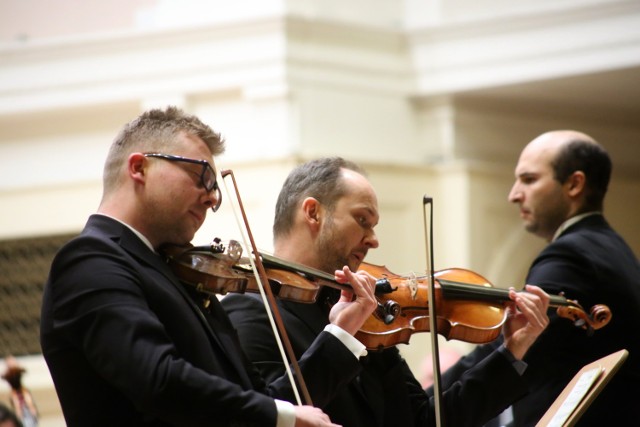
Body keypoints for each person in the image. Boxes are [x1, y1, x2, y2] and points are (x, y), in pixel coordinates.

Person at [40, 107, 380, 427]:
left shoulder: (180, 273)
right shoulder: (90, 259)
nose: (213, 197)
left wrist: (340, 334)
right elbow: (157, 379)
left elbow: (259, 402)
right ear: (139, 168)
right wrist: (281, 416)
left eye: (215, 185)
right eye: (200, 175)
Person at [222, 157, 551, 427]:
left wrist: (510, 352)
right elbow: (270, 415)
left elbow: (424, 421)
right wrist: (339, 336)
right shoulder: (249, 310)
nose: (373, 239)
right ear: (313, 213)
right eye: (362, 220)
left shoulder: (370, 312)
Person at [440, 130, 640, 426]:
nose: (513, 194)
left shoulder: (572, 256)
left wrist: (424, 405)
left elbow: (515, 345)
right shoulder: (613, 246)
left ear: (574, 184)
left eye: (529, 179)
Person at [1, 357, 38, 427]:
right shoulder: (9, 373)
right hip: (16, 393)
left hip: (21, 391)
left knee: (27, 407)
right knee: (19, 408)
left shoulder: (17, 371)